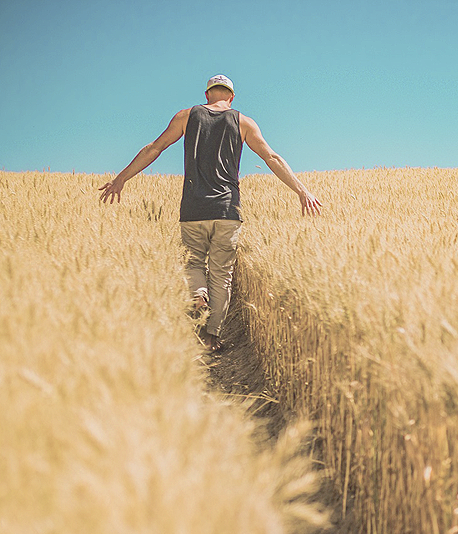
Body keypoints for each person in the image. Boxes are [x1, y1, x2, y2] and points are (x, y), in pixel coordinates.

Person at [99, 74, 321, 352]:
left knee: (193, 264)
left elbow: (154, 148)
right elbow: (271, 158)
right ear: (231, 97)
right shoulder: (244, 122)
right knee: (222, 275)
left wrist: (121, 178)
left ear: (207, 95)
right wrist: (302, 191)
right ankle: (211, 336)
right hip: (227, 211)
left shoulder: (185, 116)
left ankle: (198, 293)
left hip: (193, 208)